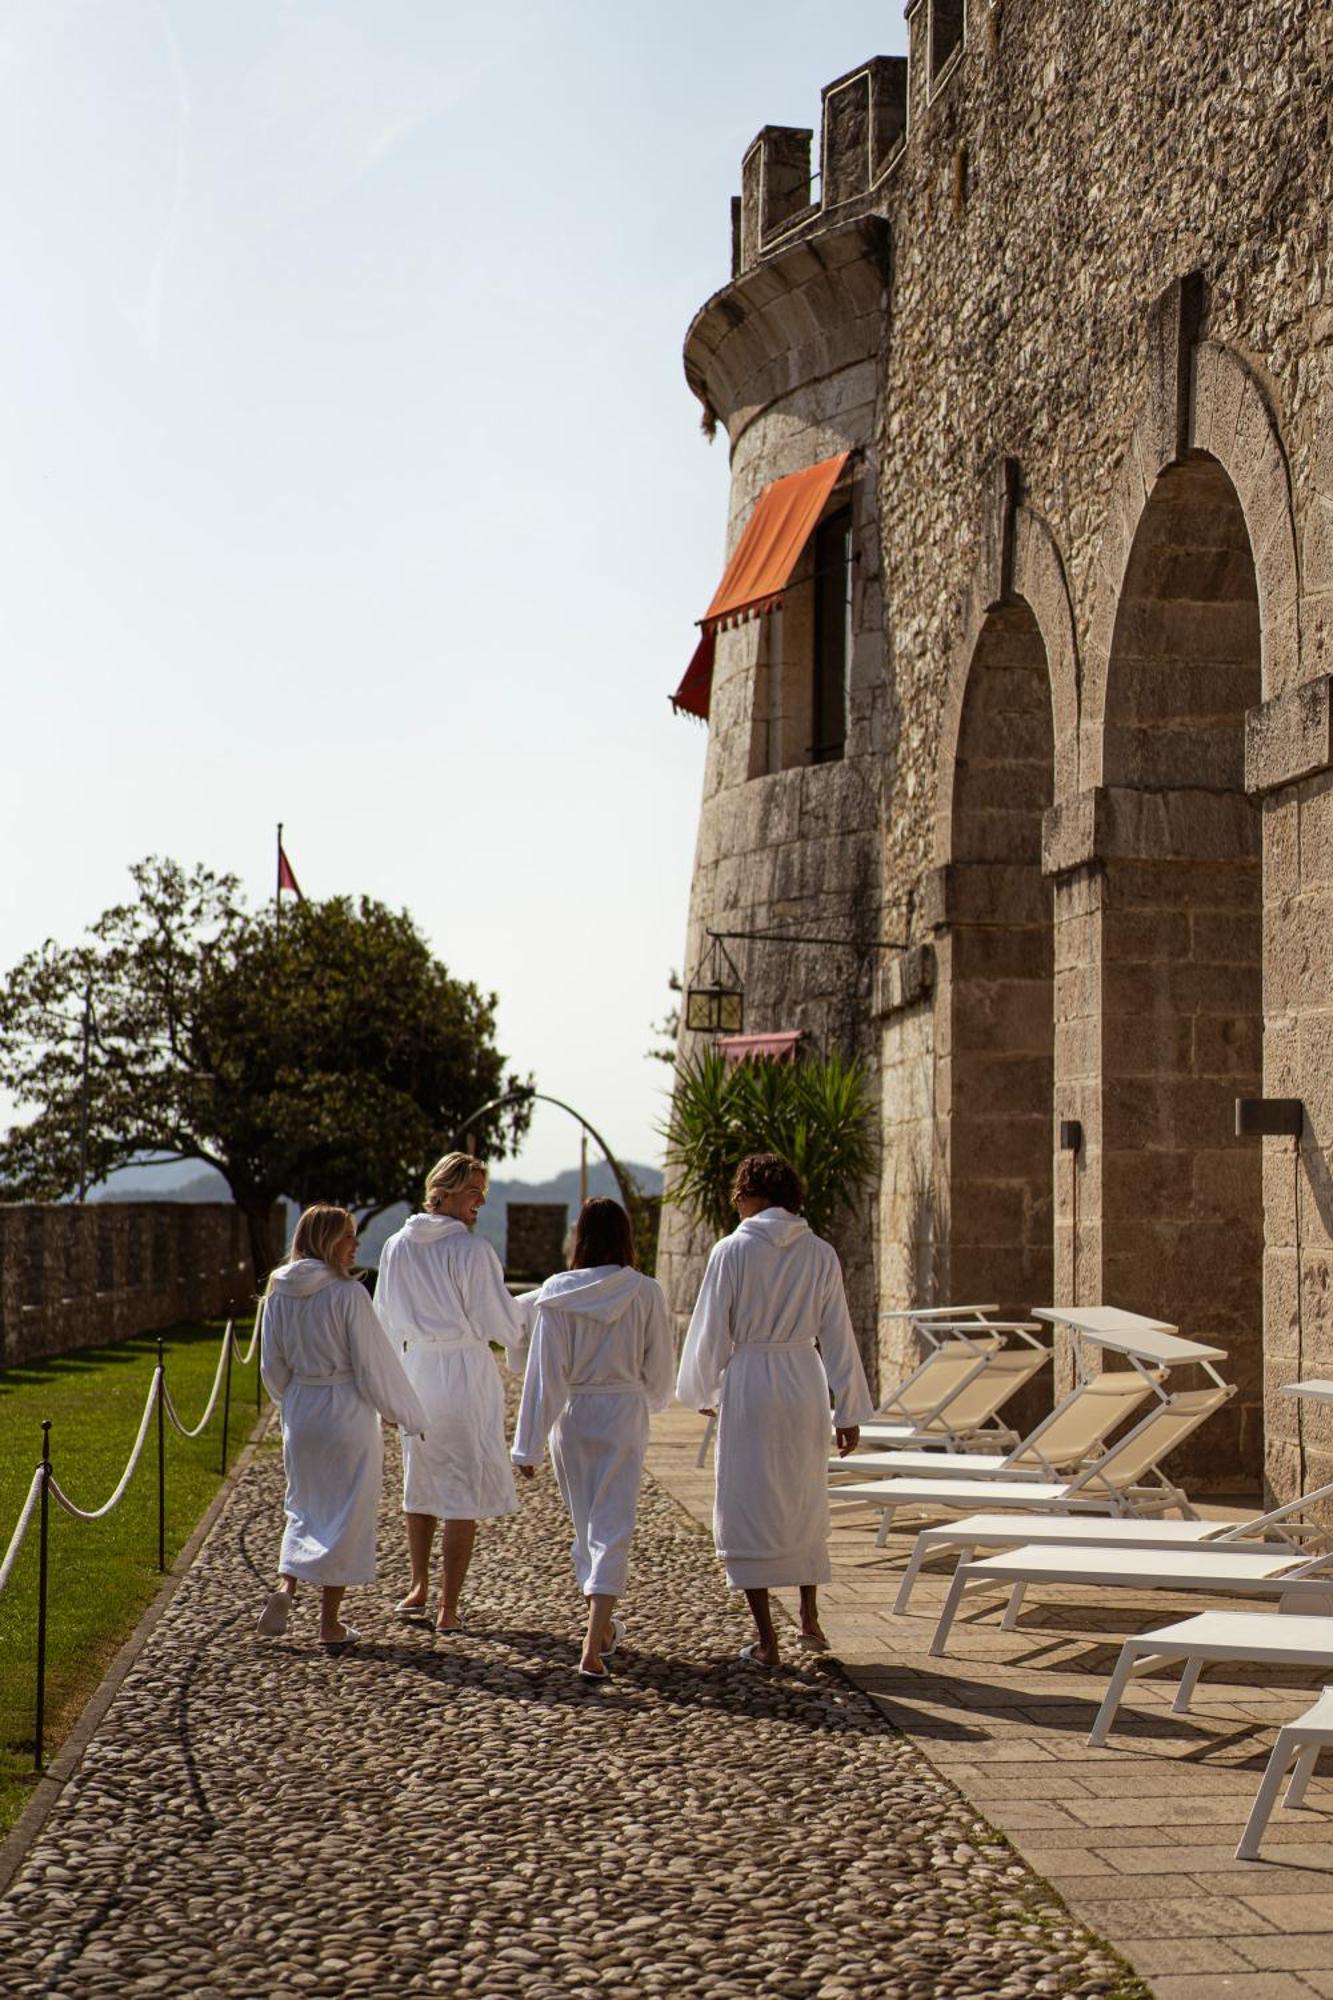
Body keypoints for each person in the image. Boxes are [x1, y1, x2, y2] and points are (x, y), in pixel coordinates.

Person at [676, 1152, 872, 1669]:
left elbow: (712, 1328)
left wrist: (703, 1390)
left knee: (747, 1500)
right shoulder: (820, 1252)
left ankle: (767, 1640)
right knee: (805, 1494)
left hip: (751, 1383)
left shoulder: (731, 1251)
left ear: (753, 1193)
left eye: (738, 1194)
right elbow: (838, 1334)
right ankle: (808, 1614)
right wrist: (847, 1408)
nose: (735, 1204)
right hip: (804, 1379)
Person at [511, 1198, 674, 1680]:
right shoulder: (645, 1293)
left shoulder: (557, 1293)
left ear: (579, 1238)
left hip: (574, 1416)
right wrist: (651, 1399)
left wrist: (529, 1442)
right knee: (612, 1525)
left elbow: (544, 1375)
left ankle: (600, 1629)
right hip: (622, 1411)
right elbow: (660, 1368)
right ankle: (593, 1639)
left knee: (587, 1526)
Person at [257, 1205, 427, 1651]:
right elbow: (373, 1363)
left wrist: (291, 1401)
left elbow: (271, 1365)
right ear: (328, 1241)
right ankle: (329, 1623)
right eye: (348, 1236)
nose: (356, 1245)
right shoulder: (347, 1294)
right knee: (347, 1511)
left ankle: (286, 1587)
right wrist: (406, 1412)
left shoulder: (278, 1290)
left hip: (302, 1407)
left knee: (304, 1503)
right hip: (346, 1411)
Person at [375, 1151, 527, 1634]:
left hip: (415, 1367)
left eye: (482, 1192)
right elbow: (498, 1322)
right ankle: (447, 1605)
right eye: (473, 1192)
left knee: (418, 1481)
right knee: (459, 1486)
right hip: (462, 1372)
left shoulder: (396, 1246)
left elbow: (384, 1320)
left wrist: (389, 1389)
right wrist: (526, 1318)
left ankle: (419, 1585)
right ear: (446, 1192)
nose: (480, 1201)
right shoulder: (472, 1251)